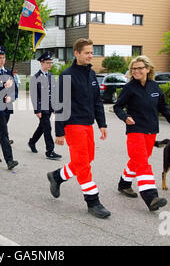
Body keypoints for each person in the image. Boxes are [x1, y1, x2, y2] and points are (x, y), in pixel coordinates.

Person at [47, 38, 110, 219]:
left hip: (88, 124)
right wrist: (59, 131)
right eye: (87, 52)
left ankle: (57, 176)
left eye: (92, 52)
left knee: (87, 158)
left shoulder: (91, 74)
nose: (90, 55)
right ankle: (93, 201)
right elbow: (60, 104)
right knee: (83, 163)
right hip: (73, 125)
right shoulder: (67, 75)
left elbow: (97, 101)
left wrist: (102, 124)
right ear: (77, 53)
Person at [113, 55, 170, 211]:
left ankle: (124, 184)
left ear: (148, 69)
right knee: (142, 163)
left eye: (139, 68)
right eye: (134, 68)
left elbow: (163, 107)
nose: (136, 71)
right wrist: (125, 117)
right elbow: (118, 107)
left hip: (151, 130)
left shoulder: (154, 87)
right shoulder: (129, 88)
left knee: (138, 160)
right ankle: (151, 197)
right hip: (135, 130)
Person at [28, 51, 61, 160]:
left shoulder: (51, 75)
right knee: (47, 128)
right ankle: (50, 151)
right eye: (48, 63)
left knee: (42, 128)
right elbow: (34, 96)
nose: (50, 65)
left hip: (50, 107)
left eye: (51, 62)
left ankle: (32, 142)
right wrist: (37, 110)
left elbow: (54, 92)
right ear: (42, 63)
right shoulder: (35, 77)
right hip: (42, 108)